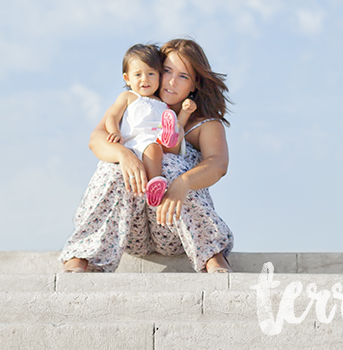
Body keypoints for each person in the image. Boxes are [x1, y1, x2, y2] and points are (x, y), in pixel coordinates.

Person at [60, 38, 234, 273]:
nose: (171, 81)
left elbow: (218, 164)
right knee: (114, 165)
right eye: (166, 71)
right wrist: (124, 155)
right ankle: (83, 255)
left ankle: (211, 254)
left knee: (170, 163)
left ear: (194, 84)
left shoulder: (204, 124)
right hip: (128, 226)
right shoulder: (135, 105)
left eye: (183, 76)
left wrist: (184, 183)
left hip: (173, 224)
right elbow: (96, 139)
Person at [98, 43, 196, 207]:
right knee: (153, 148)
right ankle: (155, 182)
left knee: (173, 129)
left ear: (158, 76)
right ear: (127, 78)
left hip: (159, 140)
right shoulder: (128, 96)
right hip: (138, 141)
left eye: (151, 74)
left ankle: (168, 138)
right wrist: (115, 131)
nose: (145, 79)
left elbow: (179, 124)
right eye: (138, 75)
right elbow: (113, 116)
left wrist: (186, 112)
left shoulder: (162, 104)